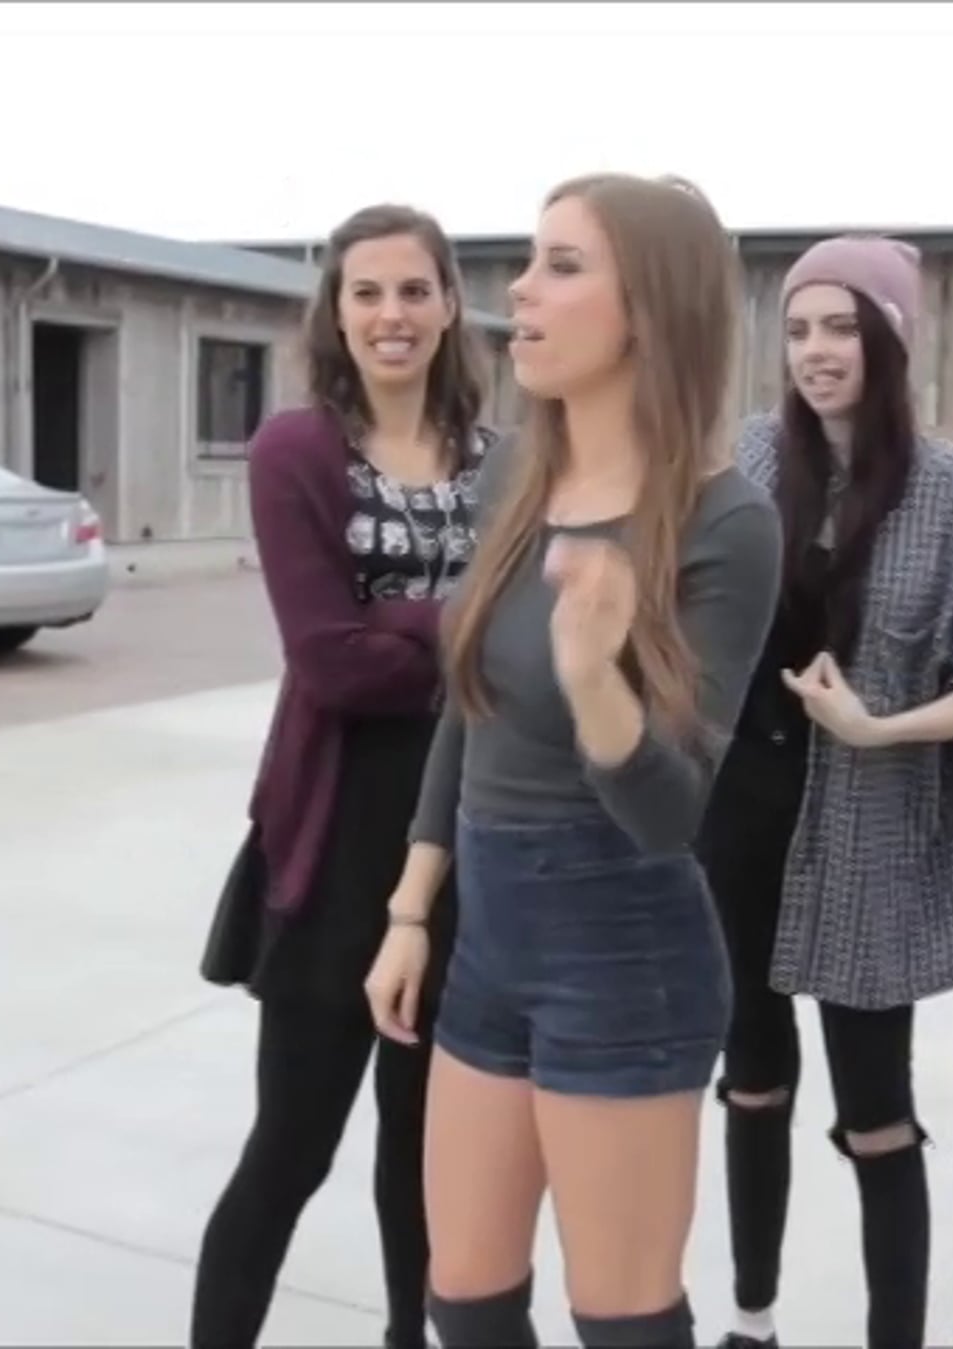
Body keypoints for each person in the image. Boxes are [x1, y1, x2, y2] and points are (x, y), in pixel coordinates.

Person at [360, 172, 783, 1349]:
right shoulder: (515, 474)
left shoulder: (725, 522)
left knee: (623, 1321)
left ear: (648, 306)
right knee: (466, 1300)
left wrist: (597, 677)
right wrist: (412, 907)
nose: (521, 293)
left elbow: (670, 811)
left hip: (624, 951)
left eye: (562, 265)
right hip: (490, 941)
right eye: (529, 262)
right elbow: (469, 705)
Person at [696, 234, 953, 1349]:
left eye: (842, 326)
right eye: (798, 329)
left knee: (877, 1111)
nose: (817, 350)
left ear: (892, 338)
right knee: (752, 1079)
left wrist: (879, 726)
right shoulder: (747, 456)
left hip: (872, 827)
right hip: (741, 818)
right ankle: (752, 1320)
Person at [191, 203, 494, 1349]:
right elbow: (327, 659)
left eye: (414, 289)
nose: (391, 314)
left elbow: (513, 645)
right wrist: (458, 629)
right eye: (367, 292)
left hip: (463, 832)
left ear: (450, 303)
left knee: (425, 1157)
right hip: (335, 840)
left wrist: (397, 621)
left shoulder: (501, 459)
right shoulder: (296, 450)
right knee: (292, 1146)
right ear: (337, 310)